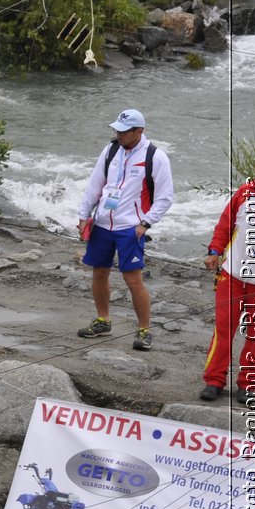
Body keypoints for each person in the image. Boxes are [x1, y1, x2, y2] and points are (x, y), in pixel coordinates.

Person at [74, 108, 174, 350]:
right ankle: (103, 320)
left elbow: (165, 197)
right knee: (99, 273)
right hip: (102, 224)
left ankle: (144, 330)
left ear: (139, 131)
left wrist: (145, 224)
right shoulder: (111, 150)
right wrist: (83, 216)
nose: (118, 134)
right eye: (115, 130)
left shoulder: (156, 157)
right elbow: (96, 184)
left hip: (130, 228)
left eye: (123, 131)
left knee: (133, 280)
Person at [201, 155, 255, 402]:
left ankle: (247, 385)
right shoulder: (245, 192)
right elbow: (224, 225)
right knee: (223, 330)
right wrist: (214, 251)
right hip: (232, 276)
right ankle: (214, 381)